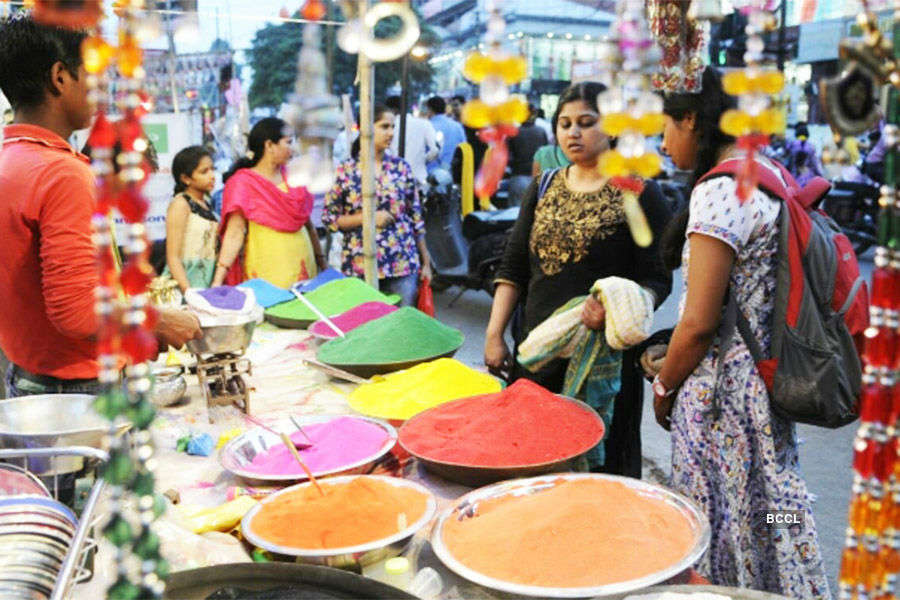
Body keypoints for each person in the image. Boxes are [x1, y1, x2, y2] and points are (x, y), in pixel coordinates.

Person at [653, 67, 830, 596]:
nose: (663, 143)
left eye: (665, 127)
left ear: (691, 118)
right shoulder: (768, 173)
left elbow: (699, 324)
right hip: (765, 385)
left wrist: (664, 386)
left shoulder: (720, 191)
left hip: (720, 400)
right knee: (772, 507)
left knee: (714, 518)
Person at [0, 15, 201, 398]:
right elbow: (75, 312)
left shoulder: (11, 160)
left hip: (30, 377)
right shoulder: (63, 173)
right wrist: (156, 322)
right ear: (60, 77)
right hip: (76, 388)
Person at [484, 82, 672, 477]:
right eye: (564, 123)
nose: (572, 132)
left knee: (597, 470)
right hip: (537, 353)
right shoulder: (544, 186)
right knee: (531, 462)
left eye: (586, 123)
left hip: (603, 361)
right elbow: (514, 266)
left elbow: (657, 278)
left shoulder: (637, 192)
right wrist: (493, 334)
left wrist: (616, 306)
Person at [323, 104, 432, 306]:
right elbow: (330, 219)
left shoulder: (401, 168)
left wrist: (426, 261)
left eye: (392, 127)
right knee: (365, 329)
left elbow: (416, 218)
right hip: (360, 265)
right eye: (384, 126)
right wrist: (368, 218)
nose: (391, 133)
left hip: (402, 263)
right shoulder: (346, 171)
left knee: (400, 327)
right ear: (365, 128)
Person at [212, 117, 326, 289]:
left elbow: (308, 226)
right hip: (267, 269)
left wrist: (322, 263)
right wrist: (217, 281)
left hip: (304, 265)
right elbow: (234, 233)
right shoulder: (242, 183)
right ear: (269, 146)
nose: (293, 149)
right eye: (288, 142)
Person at [164, 145, 218, 291]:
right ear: (186, 178)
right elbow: (173, 257)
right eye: (204, 171)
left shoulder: (207, 204)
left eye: (213, 169)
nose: (212, 176)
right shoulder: (180, 204)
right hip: (184, 286)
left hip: (205, 284)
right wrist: (188, 292)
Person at [385, 95, 438, 189]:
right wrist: (422, 160)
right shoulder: (424, 124)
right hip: (419, 179)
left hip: (393, 180)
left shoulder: (386, 127)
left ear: (391, 110)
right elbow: (435, 150)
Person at [506, 105, 549, 206]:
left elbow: (508, 157)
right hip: (537, 179)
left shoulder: (514, 133)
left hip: (518, 176)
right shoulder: (541, 132)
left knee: (514, 213)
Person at [425, 96, 465, 174]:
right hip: (453, 173)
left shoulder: (427, 127)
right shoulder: (457, 126)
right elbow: (464, 149)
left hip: (431, 174)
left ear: (430, 109)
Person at [784, 121, 823, 186]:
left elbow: (786, 161)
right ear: (807, 134)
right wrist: (820, 175)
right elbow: (814, 163)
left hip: (793, 177)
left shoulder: (791, 145)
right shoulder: (811, 146)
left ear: (796, 133)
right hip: (807, 178)